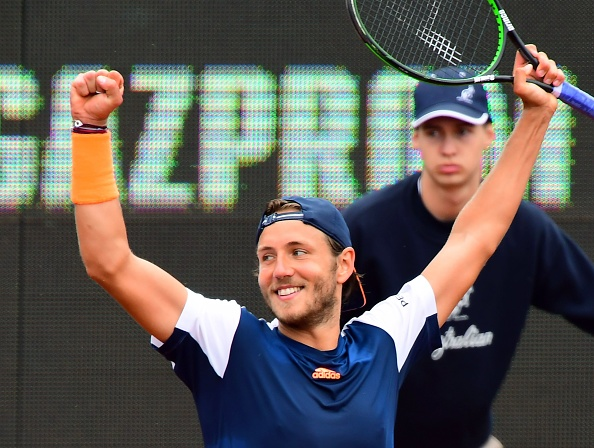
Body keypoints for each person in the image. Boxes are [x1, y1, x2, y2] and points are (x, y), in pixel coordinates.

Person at [69, 46, 563, 447]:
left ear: (345, 263)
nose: (280, 268)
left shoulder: (383, 341)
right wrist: (90, 131)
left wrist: (535, 117)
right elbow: (109, 261)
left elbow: (475, 237)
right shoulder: (228, 340)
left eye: (299, 252)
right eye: (267, 256)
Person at [340, 62, 594, 447]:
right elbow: (316, 344)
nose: (447, 146)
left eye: (462, 130)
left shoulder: (525, 230)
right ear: (415, 139)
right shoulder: (364, 227)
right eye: (433, 131)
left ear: (490, 133)